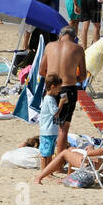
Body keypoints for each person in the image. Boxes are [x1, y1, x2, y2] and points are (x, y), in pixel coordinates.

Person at [40, 27, 86, 157]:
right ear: (74, 37)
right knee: (63, 128)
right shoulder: (78, 48)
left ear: (61, 36)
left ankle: (47, 156)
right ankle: (58, 162)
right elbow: (83, 75)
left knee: (48, 123)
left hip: (50, 89)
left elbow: (41, 71)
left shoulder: (50, 46)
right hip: (67, 88)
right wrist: (72, 78)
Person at [34, 73, 64, 171]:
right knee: (45, 153)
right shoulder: (49, 99)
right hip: (47, 131)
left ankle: (48, 171)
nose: (59, 90)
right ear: (52, 87)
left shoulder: (49, 98)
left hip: (51, 130)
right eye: (58, 88)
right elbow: (55, 112)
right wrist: (61, 103)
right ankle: (44, 171)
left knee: (50, 152)